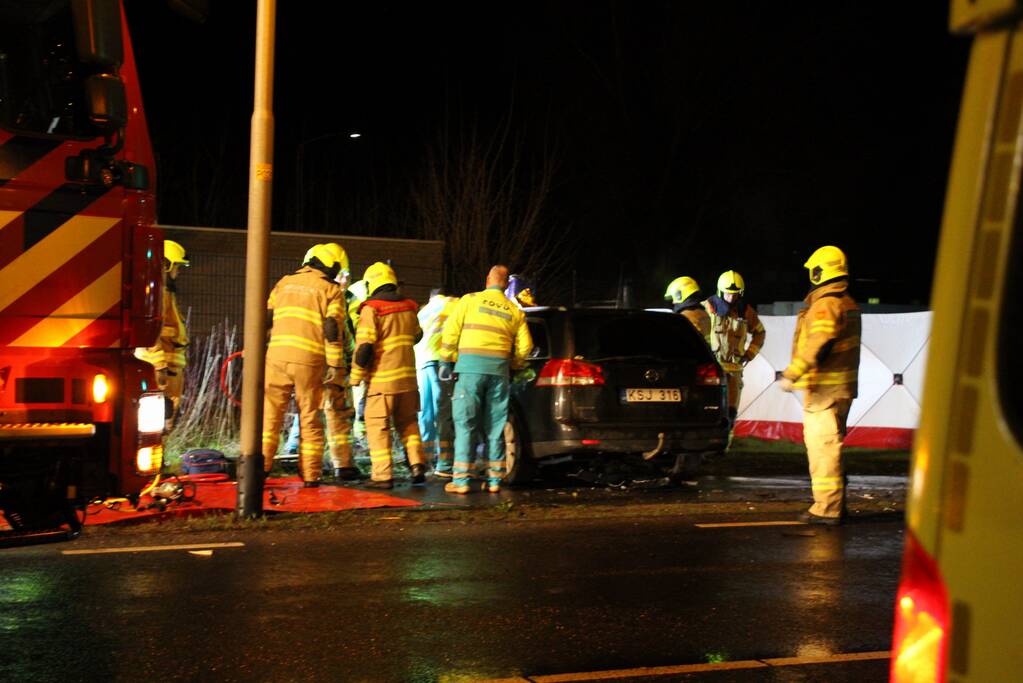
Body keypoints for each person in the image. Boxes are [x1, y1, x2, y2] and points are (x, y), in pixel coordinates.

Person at [778, 246, 860, 525]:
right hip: (838, 390)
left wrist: (792, 373)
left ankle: (827, 509)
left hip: (825, 392)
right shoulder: (845, 301)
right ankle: (836, 504)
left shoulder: (826, 304)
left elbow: (818, 342)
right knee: (832, 448)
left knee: (823, 450)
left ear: (818, 272)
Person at [439, 265, 534, 494]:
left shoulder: (470, 300)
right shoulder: (514, 310)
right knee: (495, 427)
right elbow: (526, 347)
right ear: (506, 284)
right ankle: (494, 481)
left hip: (470, 371)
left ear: (487, 279)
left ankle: (461, 481)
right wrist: (514, 364)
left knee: (465, 424)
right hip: (499, 373)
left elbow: (451, 332)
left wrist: (447, 359)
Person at [261, 243, 347, 487]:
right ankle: (310, 476)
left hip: (275, 357)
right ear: (332, 265)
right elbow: (332, 328)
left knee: (269, 418)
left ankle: (261, 470)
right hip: (309, 362)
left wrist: (258, 349)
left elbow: (266, 319)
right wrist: (334, 363)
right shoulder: (331, 290)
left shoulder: (284, 282)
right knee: (309, 418)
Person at [349, 262, 428, 489]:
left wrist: (355, 377)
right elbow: (417, 335)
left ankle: (382, 476)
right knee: (408, 424)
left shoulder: (371, 309)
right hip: (408, 382)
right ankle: (416, 464)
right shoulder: (409, 307)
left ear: (370, 284)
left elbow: (364, 348)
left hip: (382, 382)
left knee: (378, 427)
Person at [135, 239, 190, 432]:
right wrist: (160, 366)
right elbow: (152, 331)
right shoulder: (159, 294)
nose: (179, 272)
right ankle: (155, 455)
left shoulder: (165, 293)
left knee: (165, 416)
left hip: (169, 367)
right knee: (157, 417)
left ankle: (160, 453)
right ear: (166, 265)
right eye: (177, 267)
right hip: (162, 366)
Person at [703, 270, 766, 438]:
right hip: (712, 370)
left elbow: (760, 333)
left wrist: (749, 354)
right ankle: (705, 444)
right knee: (708, 408)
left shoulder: (745, 311)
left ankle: (724, 445)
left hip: (734, 372)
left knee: (730, 413)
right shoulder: (708, 307)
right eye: (728, 294)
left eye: (735, 294)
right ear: (720, 291)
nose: (731, 298)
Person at [413, 288, 459, 476]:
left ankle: (423, 458)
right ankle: (445, 460)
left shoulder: (423, 311)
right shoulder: (452, 303)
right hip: (442, 361)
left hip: (421, 361)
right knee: (443, 411)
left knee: (425, 411)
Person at [664, 276, 710, 341]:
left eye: (673, 298)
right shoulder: (704, 313)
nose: (673, 302)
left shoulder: (684, 317)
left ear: (679, 296)